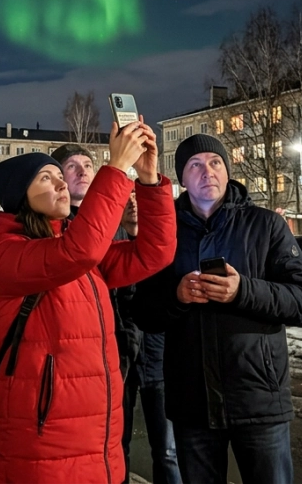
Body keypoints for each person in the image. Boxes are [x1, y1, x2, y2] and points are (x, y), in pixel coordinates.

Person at [0, 120, 177, 484]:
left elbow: (155, 253)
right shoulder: (2, 251)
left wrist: (147, 179)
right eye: (46, 178)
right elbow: (81, 249)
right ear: (20, 195)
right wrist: (114, 170)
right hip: (42, 440)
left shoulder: (71, 246)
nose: (62, 183)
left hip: (98, 438)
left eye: (60, 176)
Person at [134, 135, 302, 484]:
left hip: (258, 398)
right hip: (193, 403)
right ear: (182, 179)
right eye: (195, 165)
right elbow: (144, 313)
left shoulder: (266, 225)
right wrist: (177, 295)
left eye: (215, 162)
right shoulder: (164, 232)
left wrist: (243, 290)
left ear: (228, 170)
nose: (208, 172)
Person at [116, 191, 181, 484]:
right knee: (118, 447)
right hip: (120, 360)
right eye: (126, 200)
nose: (133, 205)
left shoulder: (163, 248)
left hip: (160, 359)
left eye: (137, 198)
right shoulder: (109, 248)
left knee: (167, 450)